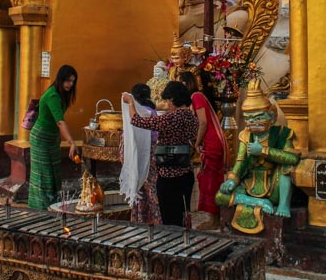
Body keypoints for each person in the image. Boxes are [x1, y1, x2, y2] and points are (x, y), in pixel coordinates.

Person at [216, 78, 300, 234]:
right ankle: (256, 202)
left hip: (273, 186)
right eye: (248, 118)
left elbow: (293, 159)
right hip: (250, 184)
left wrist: (263, 151)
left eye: (257, 117)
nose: (252, 122)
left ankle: (283, 205)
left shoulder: (281, 133)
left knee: (286, 166)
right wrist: (232, 180)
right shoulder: (245, 135)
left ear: (271, 116)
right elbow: (240, 163)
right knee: (221, 196)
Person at [123, 80, 198, 227]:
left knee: (170, 218)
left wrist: (131, 102)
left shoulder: (170, 118)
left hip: (169, 175)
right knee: (184, 212)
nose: (168, 104)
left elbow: (137, 121)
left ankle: (172, 245)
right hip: (186, 173)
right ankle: (185, 242)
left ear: (173, 99)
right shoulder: (192, 118)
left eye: (168, 100)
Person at [180, 71, 229, 231]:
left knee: (212, 182)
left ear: (186, 83)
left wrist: (197, 142)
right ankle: (214, 218)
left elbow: (203, 122)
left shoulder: (196, 97)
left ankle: (215, 220)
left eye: (181, 83)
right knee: (207, 180)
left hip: (211, 144)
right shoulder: (194, 98)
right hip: (208, 144)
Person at [28, 64, 79, 210]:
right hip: (40, 139)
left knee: (54, 172)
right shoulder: (53, 95)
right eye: (68, 80)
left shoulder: (62, 95)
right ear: (61, 79)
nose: (70, 84)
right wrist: (71, 142)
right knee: (44, 174)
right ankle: (42, 208)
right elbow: (59, 121)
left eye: (73, 81)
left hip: (52, 139)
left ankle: (53, 205)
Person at [120, 83, 162, 225]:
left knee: (138, 188)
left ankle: (139, 220)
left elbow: (131, 131)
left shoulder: (136, 110)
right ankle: (156, 221)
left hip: (139, 155)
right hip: (152, 155)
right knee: (152, 190)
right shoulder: (152, 111)